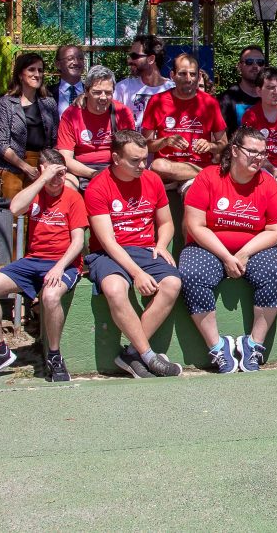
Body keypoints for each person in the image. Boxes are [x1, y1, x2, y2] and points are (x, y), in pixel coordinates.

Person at [181, 127, 277, 372]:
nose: (258, 158)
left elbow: (275, 229)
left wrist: (243, 253)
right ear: (235, 150)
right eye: (252, 151)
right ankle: (218, 347)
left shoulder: (268, 183)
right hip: (208, 246)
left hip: (253, 247)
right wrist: (226, 256)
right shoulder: (209, 177)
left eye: (262, 153)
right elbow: (195, 225)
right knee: (192, 275)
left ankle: (253, 345)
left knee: (275, 273)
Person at [0, 150, 85, 382]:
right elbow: (15, 209)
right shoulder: (34, 193)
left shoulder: (73, 198)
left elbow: (77, 242)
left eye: (62, 174)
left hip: (63, 262)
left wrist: (59, 267)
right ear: (42, 172)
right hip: (32, 261)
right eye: (53, 174)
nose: (58, 180)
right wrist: (42, 180)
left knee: (51, 296)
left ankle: (54, 356)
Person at [83, 130, 183, 378]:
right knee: (115, 289)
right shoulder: (98, 187)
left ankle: (131, 354)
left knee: (172, 283)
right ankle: (149, 356)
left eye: (144, 159)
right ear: (116, 159)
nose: (142, 165)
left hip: (146, 249)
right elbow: (108, 242)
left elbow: (167, 223)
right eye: (135, 161)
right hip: (108, 254)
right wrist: (137, 274)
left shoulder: (152, 180)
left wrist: (161, 245)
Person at [142, 52, 227, 189]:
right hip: (167, 168)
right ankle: (207, 174)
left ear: (199, 76)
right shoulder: (157, 101)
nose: (188, 79)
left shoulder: (210, 103)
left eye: (193, 74)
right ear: (172, 76)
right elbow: (145, 145)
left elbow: (223, 143)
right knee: (158, 165)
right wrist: (165, 141)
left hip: (197, 165)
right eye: (182, 74)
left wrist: (210, 146)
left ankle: (198, 176)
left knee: (193, 193)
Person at [56, 65, 135, 190]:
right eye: (97, 92)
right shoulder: (71, 115)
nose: (103, 97)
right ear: (86, 92)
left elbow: (131, 150)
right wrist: (93, 174)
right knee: (65, 185)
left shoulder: (122, 112)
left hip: (114, 167)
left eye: (108, 93)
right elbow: (66, 158)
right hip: (80, 169)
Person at [0, 53, 59, 199]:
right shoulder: (6, 104)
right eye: (31, 70)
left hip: (42, 165)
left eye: (40, 70)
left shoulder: (48, 103)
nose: (37, 74)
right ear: (20, 75)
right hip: (13, 166)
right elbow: (1, 144)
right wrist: (25, 166)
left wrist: (48, 167)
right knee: (13, 214)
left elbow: (54, 140)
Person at [114, 34, 173, 128]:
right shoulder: (123, 88)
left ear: (151, 59)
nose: (129, 60)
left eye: (134, 56)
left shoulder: (173, 89)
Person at [217, 46, 265, 132]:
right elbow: (220, 139)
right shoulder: (226, 100)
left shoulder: (271, 97)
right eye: (249, 62)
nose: (255, 66)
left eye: (260, 62)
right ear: (239, 67)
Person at [48, 45, 85, 115]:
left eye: (80, 58)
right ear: (58, 64)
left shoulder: (91, 93)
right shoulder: (47, 94)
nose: (76, 63)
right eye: (70, 59)